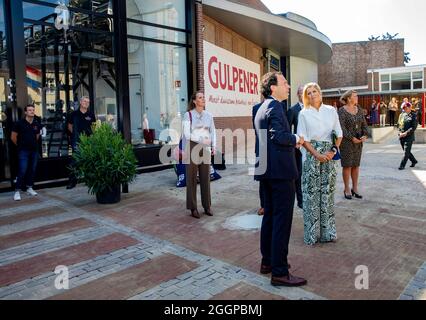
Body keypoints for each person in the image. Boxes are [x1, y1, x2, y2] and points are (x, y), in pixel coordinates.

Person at [254, 71, 307, 287]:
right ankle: (280, 272)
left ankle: (267, 262)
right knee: (282, 222)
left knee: (270, 218)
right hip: (281, 173)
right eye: (284, 83)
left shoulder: (260, 108)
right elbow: (278, 136)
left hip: (266, 170)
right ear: (273, 87)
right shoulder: (275, 107)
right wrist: (296, 138)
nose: (288, 86)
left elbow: (266, 139)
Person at [297, 83, 343, 246]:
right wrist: (316, 154)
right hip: (311, 156)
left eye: (314, 91)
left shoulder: (331, 111)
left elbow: (339, 134)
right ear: (305, 96)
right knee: (311, 196)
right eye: (308, 93)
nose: (311, 95)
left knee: (327, 194)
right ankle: (310, 235)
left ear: (320, 92)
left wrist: (331, 152)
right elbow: (303, 138)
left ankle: (328, 233)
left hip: (329, 155)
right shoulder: (303, 113)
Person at [183, 91, 216, 219]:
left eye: (203, 97)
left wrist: (214, 146)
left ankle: (207, 206)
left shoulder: (209, 115)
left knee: (205, 177)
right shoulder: (188, 115)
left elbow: (213, 132)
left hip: (206, 147)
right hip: (192, 147)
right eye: (200, 97)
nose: (203, 99)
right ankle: (193, 207)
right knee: (191, 178)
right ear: (194, 101)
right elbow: (186, 134)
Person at [338, 90, 369, 200]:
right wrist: (352, 138)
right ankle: (347, 188)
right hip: (346, 143)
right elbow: (341, 128)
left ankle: (355, 188)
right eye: (355, 96)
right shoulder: (341, 111)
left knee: (356, 165)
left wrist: (365, 134)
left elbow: (364, 124)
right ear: (349, 98)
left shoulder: (359, 109)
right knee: (347, 166)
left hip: (358, 143)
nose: (357, 97)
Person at [11, 104, 41, 201]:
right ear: (25, 112)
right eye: (29, 110)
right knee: (22, 170)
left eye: (33, 110)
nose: (32, 111)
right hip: (23, 151)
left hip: (34, 151)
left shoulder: (36, 124)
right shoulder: (19, 123)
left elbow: (37, 136)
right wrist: (20, 146)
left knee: (32, 169)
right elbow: (13, 137)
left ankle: (29, 187)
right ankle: (17, 191)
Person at [66, 96, 96, 189]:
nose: (86, 103)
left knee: (89, 160)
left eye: (88, 102)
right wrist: (75, 135)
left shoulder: (91, 114)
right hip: (77, 141)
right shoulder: (74, 114)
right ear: (80, 102)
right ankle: (72, 182)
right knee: (74, 161)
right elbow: (69, 126)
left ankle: (89, 180)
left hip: (88, 141)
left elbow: (94, 127)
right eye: (84, 101)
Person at [287, 85, 304, 209]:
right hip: (298, 149)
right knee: (298, 175)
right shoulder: (293, 110)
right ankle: (300, 200)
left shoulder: (313, 109)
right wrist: (295, 143)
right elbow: (288, 131)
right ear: (298, 94)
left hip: (313, 148)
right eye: (303, 92)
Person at [252, 101, 265, 216]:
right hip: (261, 147)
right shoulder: (256, 108)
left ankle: (273, 204)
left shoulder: (280, 105)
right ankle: (264, 205)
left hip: (276, 148)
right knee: (262, 178)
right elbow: (256, 129)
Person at [398, 102, 418, 170]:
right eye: (403, 108)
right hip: (402, 137)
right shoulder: (402, 115)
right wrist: (400, 133)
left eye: (405, 108)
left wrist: (405, 133)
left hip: (409, 137)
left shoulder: (414, 115)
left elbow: (413, 127)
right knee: (407, 151)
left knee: (406, 152)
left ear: (410, 108)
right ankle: (414, 161)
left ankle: (402, 165)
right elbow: (399, 125)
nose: (404, 110)